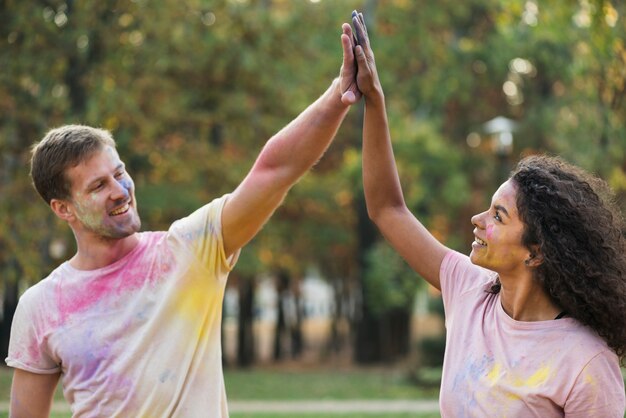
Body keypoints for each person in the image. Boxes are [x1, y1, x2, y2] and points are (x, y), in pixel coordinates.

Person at [5, 24, 362, 417]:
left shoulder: (191, 251)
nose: (121, 190)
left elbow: (274, 169)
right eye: (98, 186)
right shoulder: (42, 306)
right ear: (63, 208)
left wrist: (337, 96)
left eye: (119, 172)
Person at [348, 11, 626, 417]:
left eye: (498, 216)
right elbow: (387, 209)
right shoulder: (469, 293)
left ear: (536, 251)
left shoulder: (585, 364)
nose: (478, 220)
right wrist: (374, 100)